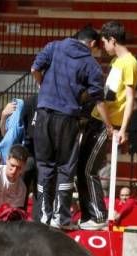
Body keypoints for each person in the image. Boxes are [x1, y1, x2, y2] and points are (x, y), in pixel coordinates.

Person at [30, 26, 109, 230]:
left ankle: (42, 216)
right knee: (66, 167)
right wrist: (109, 125)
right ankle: (61, 219)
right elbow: (98, 99)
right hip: (67, 119)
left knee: (44, 165)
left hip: (43, 113)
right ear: (92, 44)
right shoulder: (91, 64)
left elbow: (34, 69)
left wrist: (43, 89)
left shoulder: (53, 47)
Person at [76, 21, 137, 230]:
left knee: (88, 169)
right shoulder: (116, 62)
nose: (103, 46)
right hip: (97, 118)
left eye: (104, 42)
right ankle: (88, 216)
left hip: (108, 123)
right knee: (81, 168)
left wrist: (122, 129)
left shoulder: (129, 62)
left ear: (113, 40)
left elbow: (130, 98)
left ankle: (99, 216)